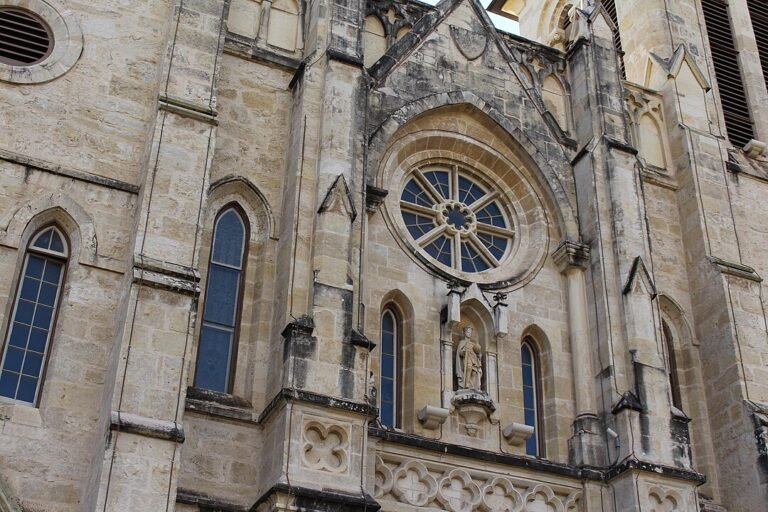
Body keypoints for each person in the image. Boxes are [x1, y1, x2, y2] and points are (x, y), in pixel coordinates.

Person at [456, 326, 482, 390]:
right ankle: (467, 384)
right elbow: (459, 353)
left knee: (474, 372)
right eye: (468, 332)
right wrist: (463, 352)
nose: (469, 334)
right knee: (469, 368)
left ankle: (472, 385)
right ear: (464, 333)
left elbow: (478, 353)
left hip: (474, 359)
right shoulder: (462, 342)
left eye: (470, 332)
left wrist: (479, 354)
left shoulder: (473, 344)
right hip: (467, 359)